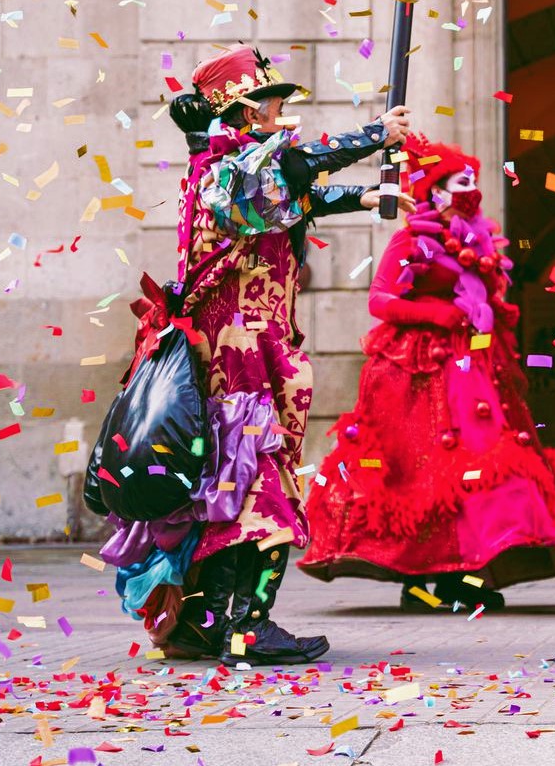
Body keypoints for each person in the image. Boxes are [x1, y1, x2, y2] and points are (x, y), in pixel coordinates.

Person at [99, 44, 415, 665]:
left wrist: (366, 197)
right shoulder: (225, 171)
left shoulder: (242, 175)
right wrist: (378, 134)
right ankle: (246, 625)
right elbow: (293, 174)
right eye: (269, 100)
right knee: (253, 489)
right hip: (234, 360)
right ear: (240, 110)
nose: (279, 109)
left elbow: (294, 198)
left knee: (233, 490)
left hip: (253, 349)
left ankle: (210, 622)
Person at [298, 134, 555, 608]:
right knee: (421, 471)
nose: (471, 187)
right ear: (436, 190)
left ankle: (466, 575)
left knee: (481, 464)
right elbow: (380, 299)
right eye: (460, 180)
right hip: (419, 372)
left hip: (475, 367)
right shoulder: (410, 240)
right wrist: (435, 314)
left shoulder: (481, 240)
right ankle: (419, 579)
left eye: (473, 179)